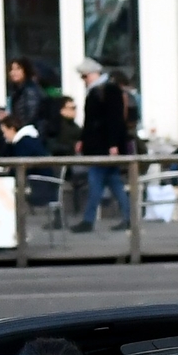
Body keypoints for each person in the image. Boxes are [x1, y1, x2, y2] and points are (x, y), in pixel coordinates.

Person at [73, 61, 133, 233]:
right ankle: (128, 217)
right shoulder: (99, 91)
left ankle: (88, 220)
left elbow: (114, 119)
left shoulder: (108, 90)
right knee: (114, 182)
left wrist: (113, 144)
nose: (83, 80)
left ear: (93, 74)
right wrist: (83, 138)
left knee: (96, 181)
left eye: (84, 76)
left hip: (103, 147)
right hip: (101, 145)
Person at [6, 58, 46, 138]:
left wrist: (17, 129)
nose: (13, 73)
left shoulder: (30, 90)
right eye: (11, 69)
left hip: (30, 133)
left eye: (18, 69)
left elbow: (31, 116)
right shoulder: (17, 90)